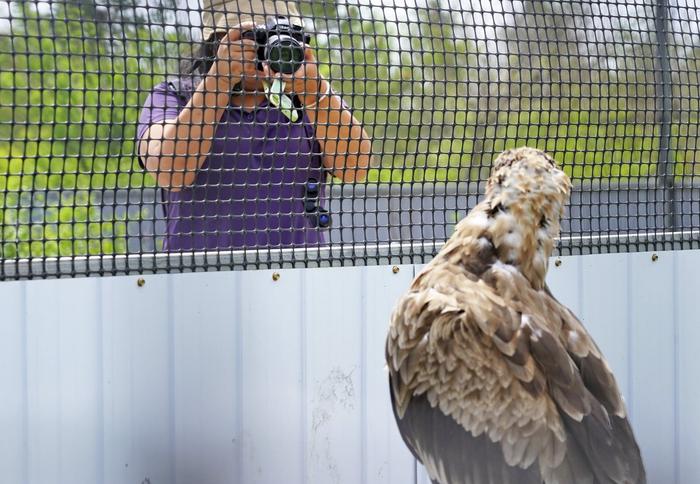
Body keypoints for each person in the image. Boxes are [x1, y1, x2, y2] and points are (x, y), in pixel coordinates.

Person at [137, 0, 372, 251]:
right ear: (218, 41)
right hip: (198, 280)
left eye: (278, 34)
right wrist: (219, 81)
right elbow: (170, 170)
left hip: (299, 278)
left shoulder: (311, 101)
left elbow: (355, 167)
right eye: (253, 36)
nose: (264, 48)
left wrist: (316, 93)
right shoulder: (175, 97)